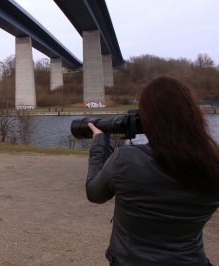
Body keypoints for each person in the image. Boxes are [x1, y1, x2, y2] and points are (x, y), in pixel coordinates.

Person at [86, 76, 219, 266]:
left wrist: (100, 143)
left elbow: (94, 193)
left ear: (147, 118)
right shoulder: (213, 164)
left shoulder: (126, 160)